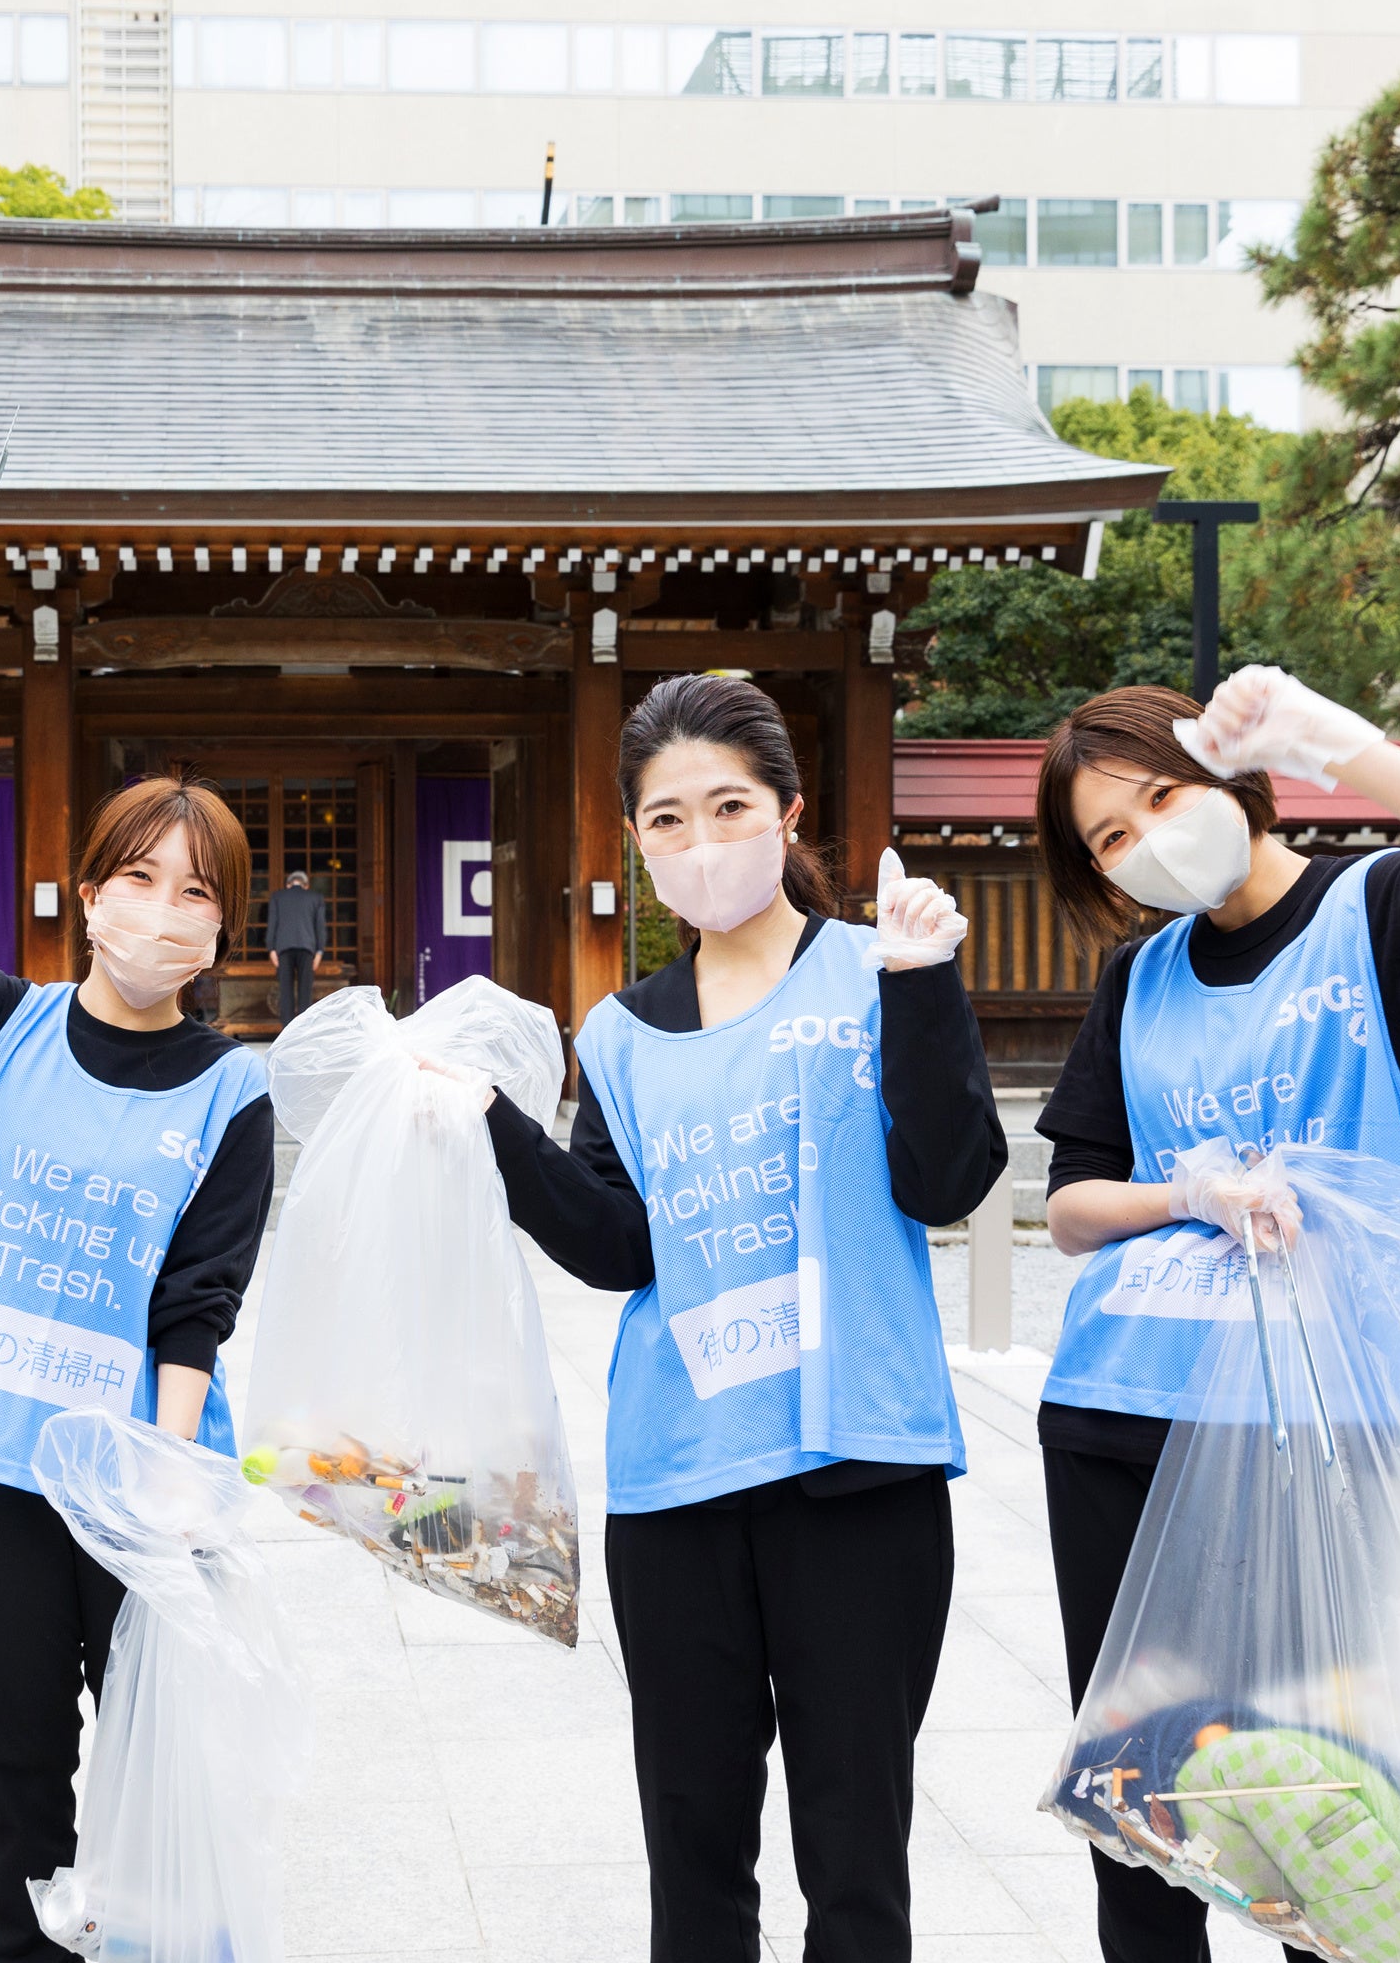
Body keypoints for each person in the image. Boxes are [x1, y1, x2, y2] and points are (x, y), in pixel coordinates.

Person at [454, 675, 1006, 1963]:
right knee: (695, 1867)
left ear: (788, 812)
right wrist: (489, 1123)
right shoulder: (621, 1032)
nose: (700, 841)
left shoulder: (877, 968)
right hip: (679, 1484)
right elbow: (618, 1244)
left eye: (729, 807)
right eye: (667, 820)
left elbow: (949, 1178)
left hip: (859, 1467)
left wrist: (924, 985)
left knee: (855, 1867)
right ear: (636, 842)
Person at [1030, 669, 1400, 1963]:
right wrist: (1188, 1193)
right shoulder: (1142, 978)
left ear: (1228, 777)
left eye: (1160, 798)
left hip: (1322, 1425)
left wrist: (1346, 746)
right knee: (1143, 1799)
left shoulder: (1378, 914)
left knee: (1320, 1799)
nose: (1147, 841)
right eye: (1110, 836)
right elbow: (1070, 1206)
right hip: (1119, 1411)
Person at [0, 648, 276, 1963]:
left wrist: (169, 1485)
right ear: (88, 895)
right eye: (138, 878)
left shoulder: (232, 1093)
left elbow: (197, 1302)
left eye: (196, 892)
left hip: (134, 1484)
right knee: (20, 1782)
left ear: (222, 931)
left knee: (156, 1779)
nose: (162, 910)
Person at [264, 859, 326, 1020]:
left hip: (283, 948)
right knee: (305, 992)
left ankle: (287, 1028)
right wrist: (319, 951)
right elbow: (320, 927)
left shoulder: (278, 897)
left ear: (288, 884)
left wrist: (271, 949)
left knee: (286, 992)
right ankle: (303, 1029)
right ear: (306, 885)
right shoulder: (315, 898)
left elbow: (272, 923)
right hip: (307, 947)